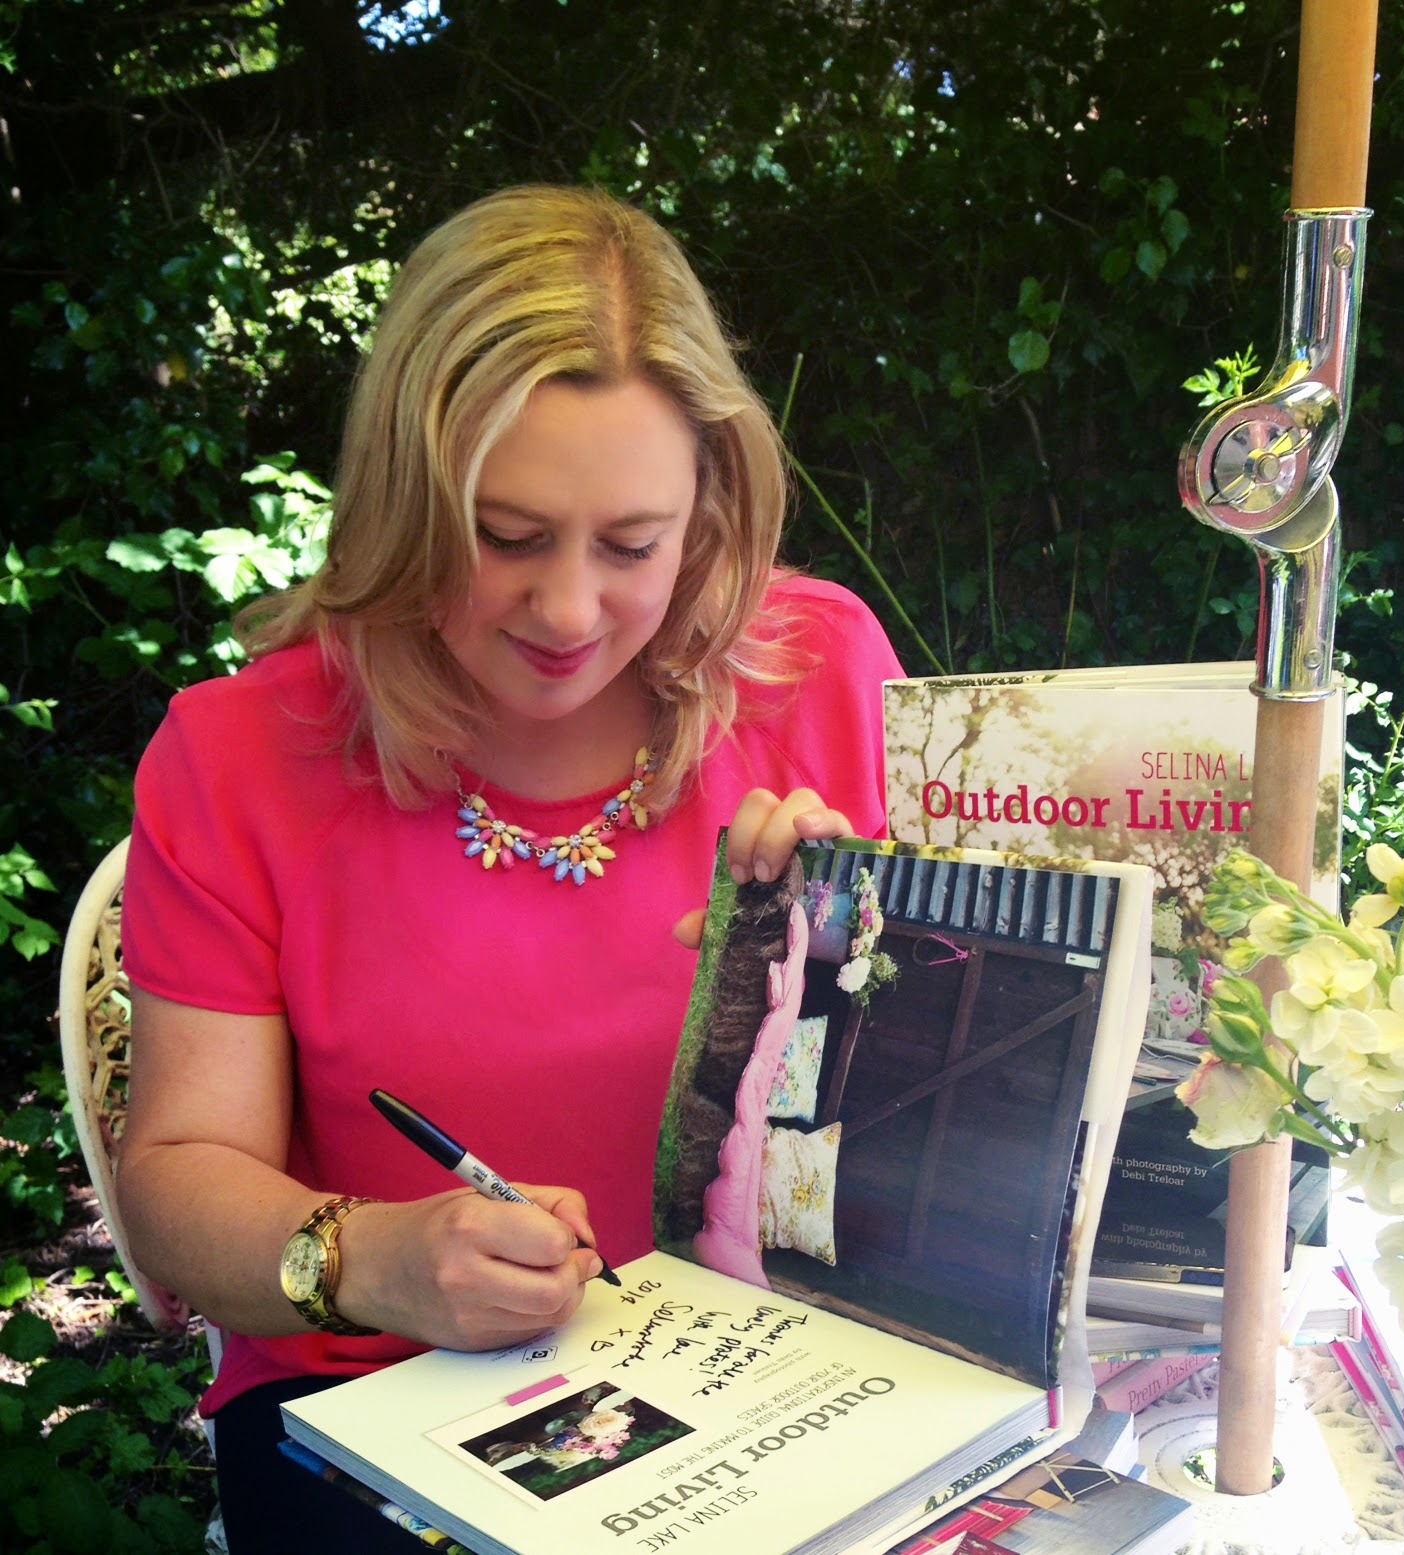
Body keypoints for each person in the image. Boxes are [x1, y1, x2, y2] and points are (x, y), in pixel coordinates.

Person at [115, 183, 904, 1551]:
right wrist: (372, 1257)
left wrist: (857, 958)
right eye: (507, 536)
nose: (568, 609)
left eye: (633, 545)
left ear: (710, 504)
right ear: (404, 498)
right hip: (382, 1397)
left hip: (784, 1369)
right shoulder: (241, 753)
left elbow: (970, 1104)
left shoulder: (816, 669)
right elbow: (180, 1187)